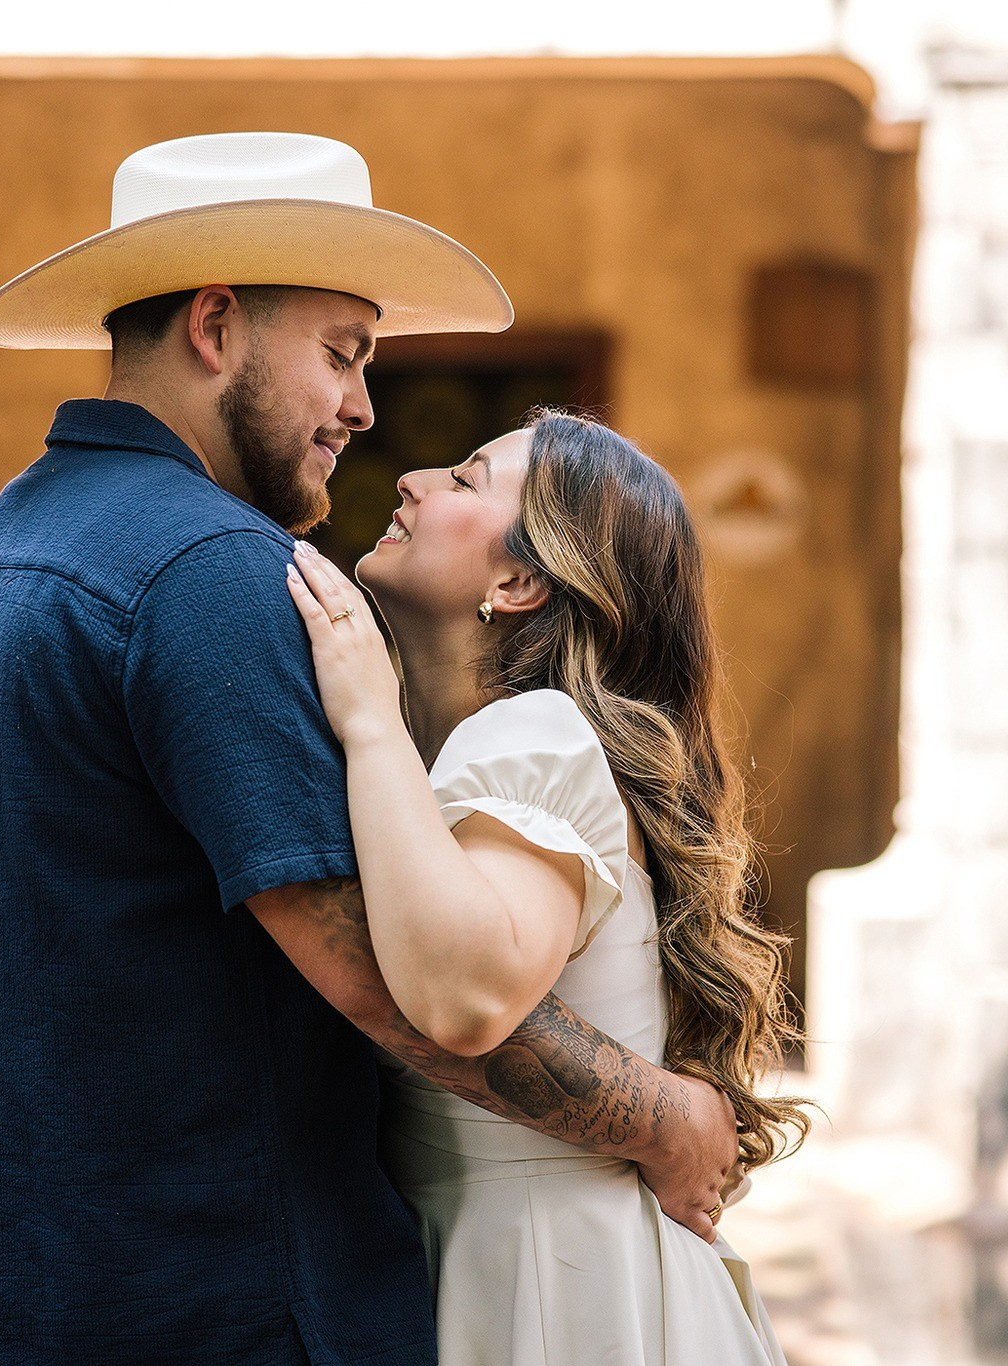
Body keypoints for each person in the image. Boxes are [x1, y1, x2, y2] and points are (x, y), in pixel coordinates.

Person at [0, 131, 746, 1364]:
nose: (364, 408)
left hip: (8, 1288)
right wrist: (660, 1119)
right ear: (213, 325)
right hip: (213, 1297)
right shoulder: (213, 572)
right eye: (343, 355)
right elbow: (390, 983)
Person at [282, 409, 807, 1365]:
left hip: (553, 1288)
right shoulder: (469, 750)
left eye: (468, 479)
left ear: (519, 581)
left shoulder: (533, 733)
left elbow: (466, 996)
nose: (414, 480)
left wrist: (365, 720)